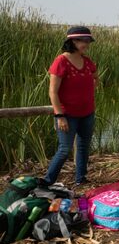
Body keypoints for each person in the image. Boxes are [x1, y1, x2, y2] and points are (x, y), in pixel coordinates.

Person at [44, 26, 99, 186]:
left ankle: (81, 179)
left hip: (87, 112)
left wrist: (88, 90)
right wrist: (59, 115)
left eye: (88, 41)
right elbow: (53, 92)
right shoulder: (61, 61)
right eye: (84, 41)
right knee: (64, 149)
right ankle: (47, 182)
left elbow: (96, 77)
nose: (87, 44)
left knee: (83, 147)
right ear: (72, 41)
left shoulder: (87, 61)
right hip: (67, 115)